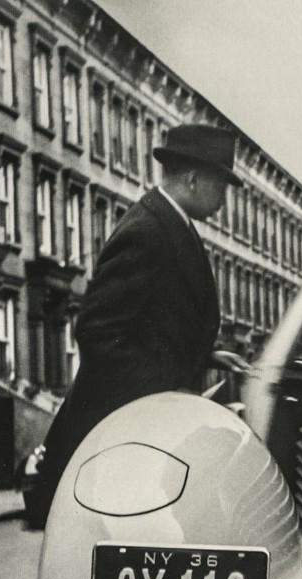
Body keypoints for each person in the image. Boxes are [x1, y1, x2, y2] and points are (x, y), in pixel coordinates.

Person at [31, 124, 250, 528]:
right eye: (222, 186)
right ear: (193, 179)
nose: (224, 200)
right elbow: (98, 331)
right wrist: (168, 389)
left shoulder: (173, 225)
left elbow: (154, 324)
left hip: (138, 431)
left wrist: (206, 353)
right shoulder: (147, 231)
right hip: (115, 436)